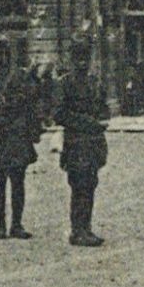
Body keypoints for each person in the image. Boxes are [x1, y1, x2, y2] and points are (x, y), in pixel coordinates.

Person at [0, 64, 43, 240]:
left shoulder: (19, 76)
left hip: (16, 136)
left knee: (18, 182)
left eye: (3, 55)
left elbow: (32, 99)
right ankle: (0, 225)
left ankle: (16, 224)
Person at [55, 65, 108, 247]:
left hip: (93, 142)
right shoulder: (65, 83)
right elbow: (59, 114)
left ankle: (86, 228)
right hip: (76, 143)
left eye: (84, 54)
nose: (81, 60)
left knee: (90, 184)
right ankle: (77, 231)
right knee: (79, 186)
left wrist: (102, 118)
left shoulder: (93, 81)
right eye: (78, 55)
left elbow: (103, 106)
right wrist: (86, 122)